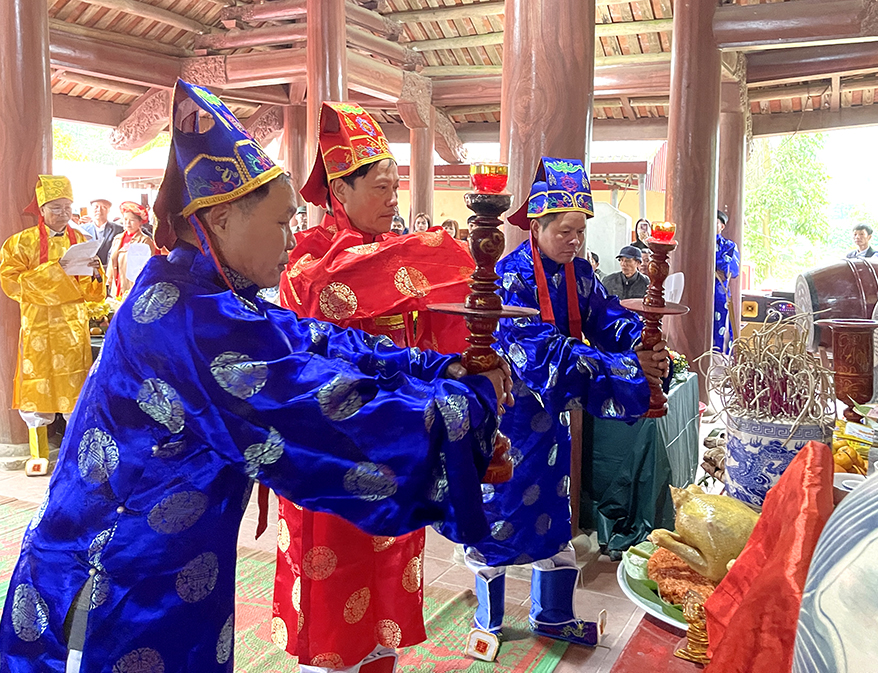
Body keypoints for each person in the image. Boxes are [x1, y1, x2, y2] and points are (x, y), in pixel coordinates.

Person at [0, 80, 509, 673]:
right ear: (219, 219)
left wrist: (431, 364)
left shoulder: (205, 290)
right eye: (280, 223)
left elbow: (314, 338)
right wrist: (462, 408)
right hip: (115, 579)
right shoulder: (188, 319)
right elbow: (316, 408)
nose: (292, 239)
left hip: (169, 568)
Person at [276, 102, 481, 673]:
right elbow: (340, 286)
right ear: (340, 190)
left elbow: (442, 314)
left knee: (390, 566)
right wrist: (436, 250)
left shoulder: (397, 255)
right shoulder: (310, 260)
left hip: (396, 443)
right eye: (382, 186)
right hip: (332, 449)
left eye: (398, 186)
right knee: (334, 575)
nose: (395, 198)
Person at [463, 157, 668, 650]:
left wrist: (643, 342)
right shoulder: (509, 278)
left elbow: (607, 318)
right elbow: (542, 356)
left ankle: (552, 614)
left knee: (554, 515)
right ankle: (488, 622)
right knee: (500, 514)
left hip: (552, 423)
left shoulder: (579, 273)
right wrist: (625, 370)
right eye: (567, 230)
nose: (576, 241)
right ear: (537, 225)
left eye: (581, 231)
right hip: (510, 417)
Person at [0, 175, 105, 477]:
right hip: (36, 327)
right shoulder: (20, 243)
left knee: (76, 389)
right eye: (56, 207)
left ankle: (74, 453)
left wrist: (96, 275)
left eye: (67, 207)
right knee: (37, 388)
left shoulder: (83, 241)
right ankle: (38, 454)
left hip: (71, 328)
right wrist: (55, 271)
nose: (63, 213)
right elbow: (11, 281)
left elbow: (92, 294)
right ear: (42, 210)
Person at [108, 201, 157, 299]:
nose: (127, 223)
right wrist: (109, 279)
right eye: (125, 219)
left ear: (140, 222)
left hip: (133, 286)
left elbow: (148, 265)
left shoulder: (144, 240)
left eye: (132, 220)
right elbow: (111, 261)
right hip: (117, 284)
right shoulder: (118, 238)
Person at [715, 210, 740, 353]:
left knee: (721, 325)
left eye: (716, 222)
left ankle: (720, 359)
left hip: (719, 292)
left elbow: (732, 269)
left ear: (722, 226)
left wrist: (715, 264)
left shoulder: (729, 246)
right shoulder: (699, 244)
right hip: (699, 292)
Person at [78, 198, 123, 266]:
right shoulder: (82, 230)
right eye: (96, 207)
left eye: (104, 207)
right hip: (88, 271)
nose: (99, 210)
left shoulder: (119, 229)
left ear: (109, 210)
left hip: (109, 271)